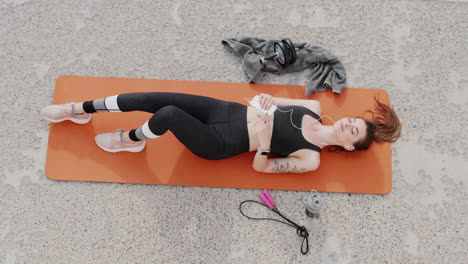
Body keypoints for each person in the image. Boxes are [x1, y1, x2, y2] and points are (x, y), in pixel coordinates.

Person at [41, 92, 402, 173]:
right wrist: (263, 102)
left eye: (353, 130)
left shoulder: (310, 159)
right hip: (224, 110)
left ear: (351, 146)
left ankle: (131, 141)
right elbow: (266, 98)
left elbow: (261, 168)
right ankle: (79, 110)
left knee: (167, 115)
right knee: (150, 97)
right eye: (353, 119)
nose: (348, 123)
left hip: (222, 143)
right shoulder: (314, 109)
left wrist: (263, 141)